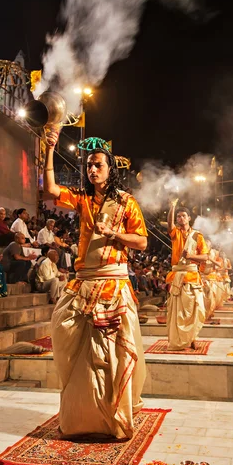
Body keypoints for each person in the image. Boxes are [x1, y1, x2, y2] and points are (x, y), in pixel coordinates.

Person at [44, 131, 147, 440]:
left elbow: (141, 241)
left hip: (114, 284)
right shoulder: (83, 198)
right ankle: (82, 417)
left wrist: (114, 235)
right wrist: (50, 149)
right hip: (84, 281)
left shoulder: (127, 203)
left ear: (110, 168)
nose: (92, 170)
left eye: (98, 165)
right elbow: (49, 189)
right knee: (65, 334)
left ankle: (112, 416)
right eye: (89, 165)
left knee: (112, 355)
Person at [166, 201, 208, 350]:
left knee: (196, 310)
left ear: (189, 218)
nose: (180, 218)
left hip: (192, 276)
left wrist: (190, 255)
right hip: (178, 277)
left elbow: (205, 257)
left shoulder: (197, 236)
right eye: (178, 216)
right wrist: (171, 207)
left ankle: (193, 337)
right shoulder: (175, 233)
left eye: (183, 216)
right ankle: (180, 340)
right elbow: (169, 224)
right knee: (179, 312)